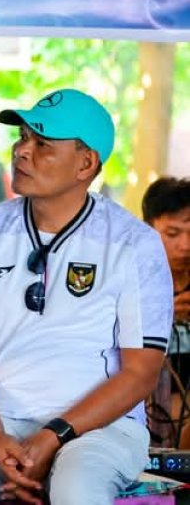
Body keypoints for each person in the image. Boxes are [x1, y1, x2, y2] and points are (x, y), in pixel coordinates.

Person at [0, 88, 173, 505]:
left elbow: (140, 372)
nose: (22, 152)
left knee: (76, 488)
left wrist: (53, 437)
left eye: (42, 144)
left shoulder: (133, 244)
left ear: (86, 164)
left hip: (103, 428)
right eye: (22, 138)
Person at [142, 176, 190, 446]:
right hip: (149, 409)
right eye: (172, 234)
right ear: (148, 229)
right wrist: (164, 316)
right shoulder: (131, 282)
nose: (185, 245)